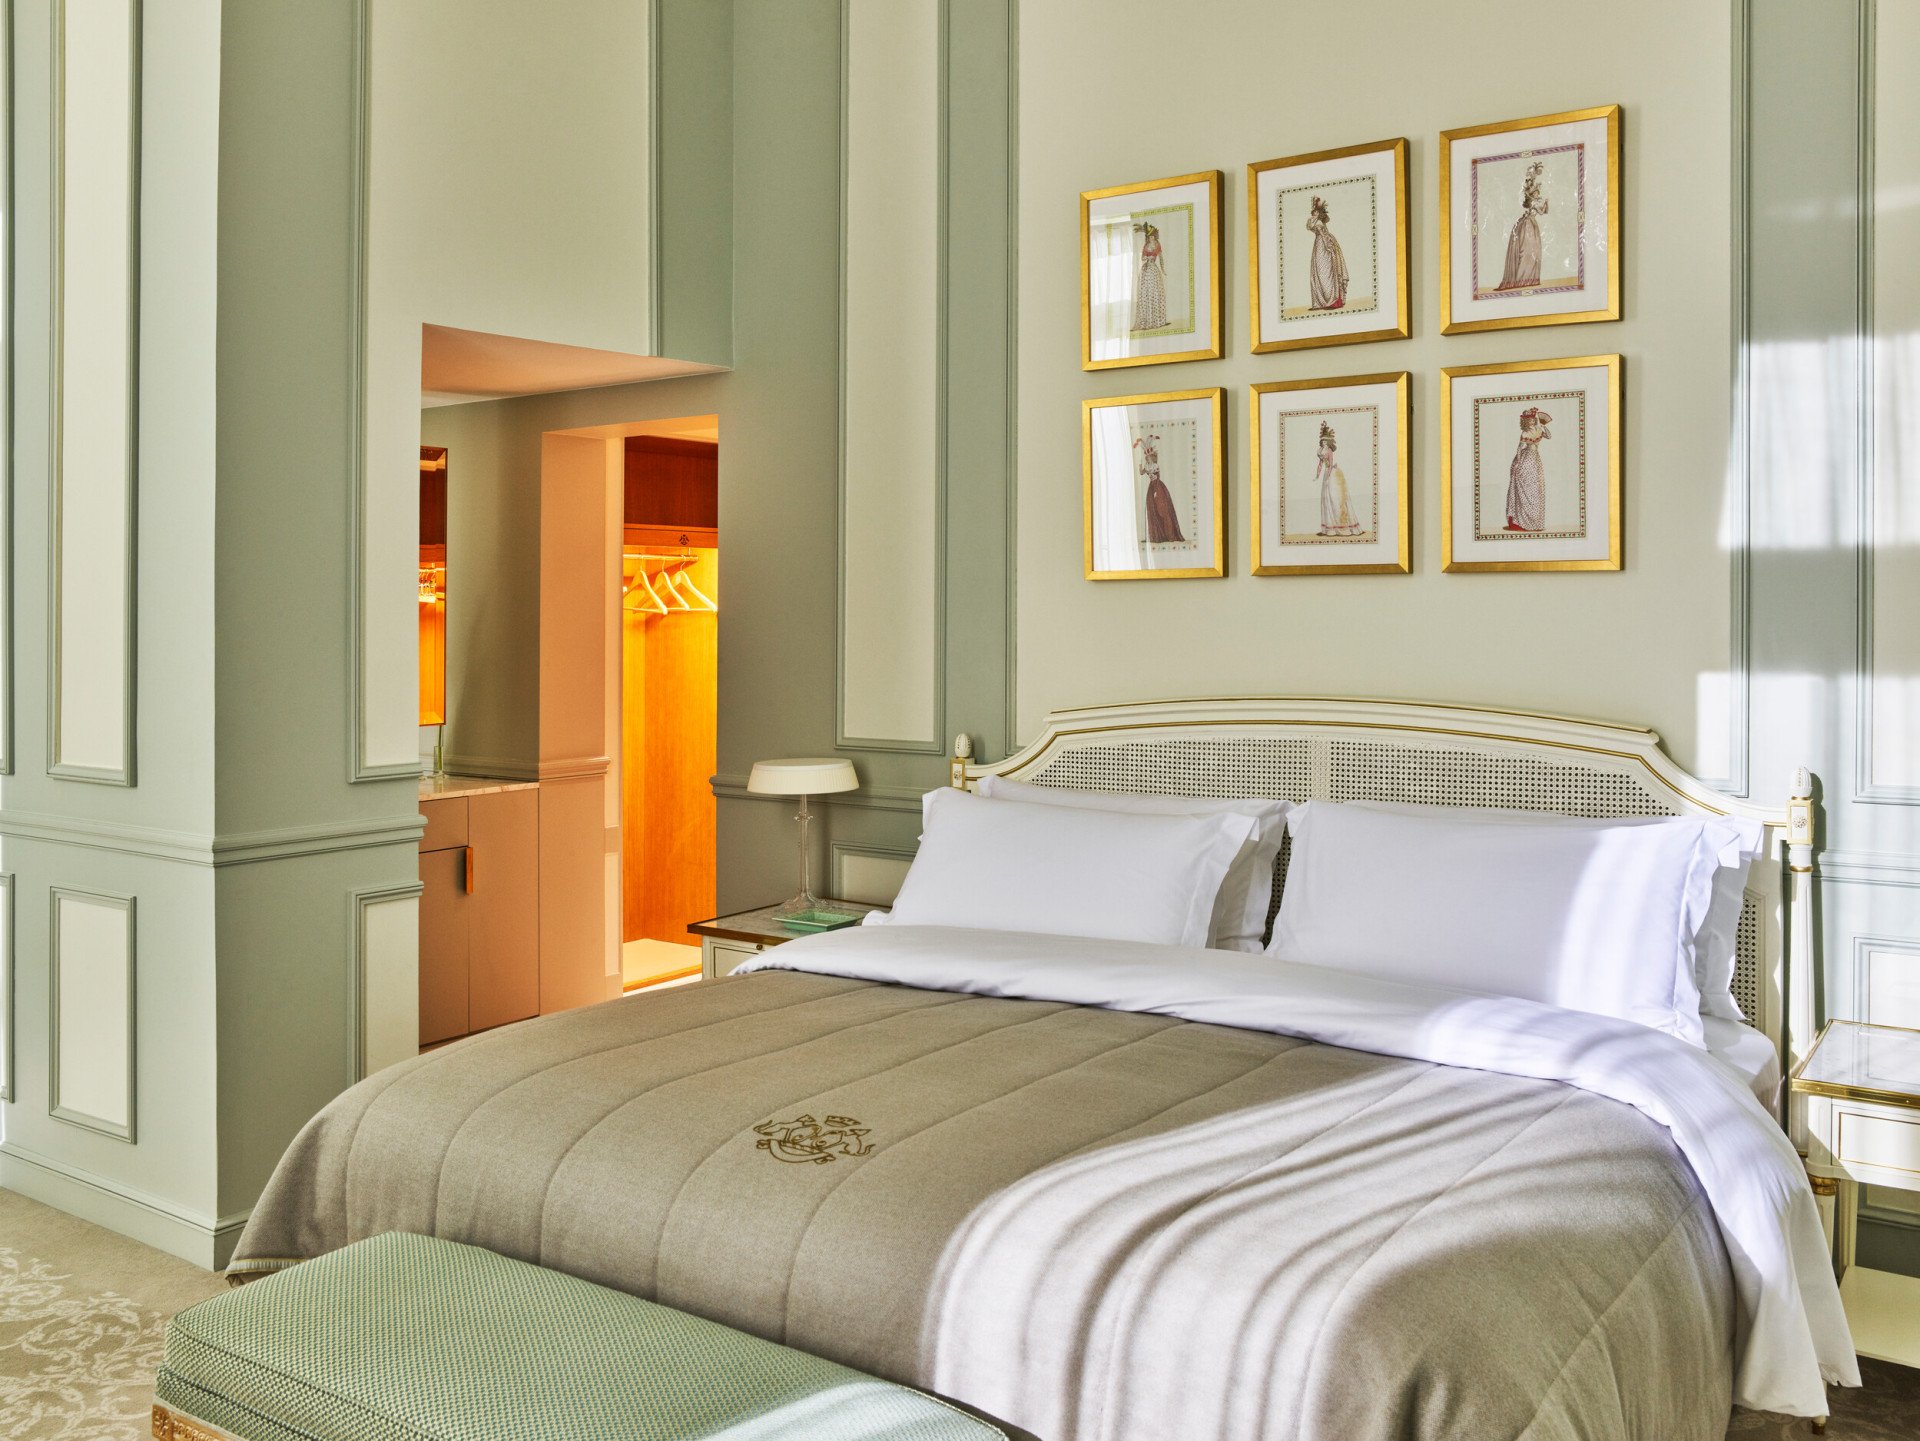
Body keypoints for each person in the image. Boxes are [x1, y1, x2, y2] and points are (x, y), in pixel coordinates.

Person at [1498, 161, 1548, 291]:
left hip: (1530, 224)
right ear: (1532, 194)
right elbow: (1541, 211)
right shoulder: (1533, 203)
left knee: (1532, 251)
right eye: (1536, 192)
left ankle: (1527, 278)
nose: (1537, 194)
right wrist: (1545, 203)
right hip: (1528, 225)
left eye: (1537, 192)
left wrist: (1545, 203)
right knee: (1527, 250)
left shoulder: (1534, 202)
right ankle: (1523, 279)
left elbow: (1543, 211)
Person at [1505, 407, 1551, 531]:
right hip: (1526, 459)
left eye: (1532, 419)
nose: (1531, 421)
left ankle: (1534, 522)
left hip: (1535, 461)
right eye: (1528, 420)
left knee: (1535, 488)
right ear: (1525, 422)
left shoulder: (1538, 430)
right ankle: (1520, 521)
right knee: (1524, 486)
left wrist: (1543, 426)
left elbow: (1549, 436)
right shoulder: (1525, 433)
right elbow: (1519, 449)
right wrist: (1518, 462)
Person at [1138, 433, 1185, 543]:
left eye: (1148, 457)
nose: (1147, 459)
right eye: (1146, 457)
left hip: (1158, 487)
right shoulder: (1148, 466)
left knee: (1162, 510)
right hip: (1151, 488)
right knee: (1152, 510)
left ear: (1152, 457)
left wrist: (1156, 491)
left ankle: (1170, 534)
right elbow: (1141, 473)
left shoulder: (1155, 466)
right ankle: (1155, 535)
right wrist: (1139, 465)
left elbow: (1157, 477)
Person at [1315, 422, 1361, 535]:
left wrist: (1328, 475)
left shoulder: (1329, 451)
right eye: (1323, 441)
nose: (1324, 442)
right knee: (1327, 498)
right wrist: (1317, 475)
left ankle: (1342, 526)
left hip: (1333, 474)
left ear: (1329, 441)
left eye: (1326, 441)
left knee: (1335, 497)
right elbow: (1320, 464)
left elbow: (1330, 463)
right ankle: (1330, 527)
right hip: (1326, 473)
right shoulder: (1320, 451)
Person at [1307, 195, 1348, 310]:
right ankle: (1321, 302)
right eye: (1314, 211)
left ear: (1319, 212)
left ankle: (1333, 301)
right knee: (1318, 272)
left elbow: (1324, 235)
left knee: (1326, 271)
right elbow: (1309, 225)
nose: (1314, 213)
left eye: (1316, 211)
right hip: (1319, 244)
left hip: (1325, 244)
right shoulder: (1313, 220)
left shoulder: (1320, 221)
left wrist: (1329, 248)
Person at [1132, 221, 1169, 331]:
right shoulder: (1146, 245)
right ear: (1148, 237)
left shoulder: (1157, 245)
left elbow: (1161, 258)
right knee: (1146, 293)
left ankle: (1157, 320)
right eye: (1149, 236)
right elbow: (1142, 258)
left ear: (1155, 236)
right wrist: (1146, 258)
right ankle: (1146, 321)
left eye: (1153, 236)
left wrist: (1163, 269)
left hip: (1153, 270)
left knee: (1155, 292)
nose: (1151, 238)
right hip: (1145, 270)